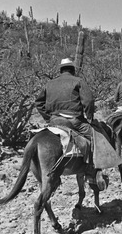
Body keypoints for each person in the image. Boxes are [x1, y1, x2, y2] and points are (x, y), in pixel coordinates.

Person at [35, 58, 104, 188]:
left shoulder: (49, 83)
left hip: (54, 120)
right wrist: (89, 117)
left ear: (61, 70)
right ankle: (91, 171)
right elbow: (88, 101)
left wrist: (47, 118)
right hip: (74, 120)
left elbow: (38, 103)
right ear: (72, 70)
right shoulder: (78, 81)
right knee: (95, 137)